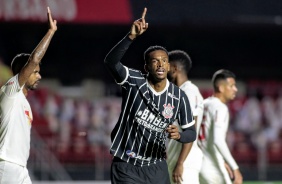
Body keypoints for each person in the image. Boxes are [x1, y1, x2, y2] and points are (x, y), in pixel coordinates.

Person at [104, 8, 196, 184]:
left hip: (156, 166)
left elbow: (191, 132)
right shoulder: (133, 80)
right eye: (155, 61)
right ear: (146, 67)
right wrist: (130, 37)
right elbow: (111, 62)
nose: (160, 64)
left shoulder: (179, 97)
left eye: (164, 61)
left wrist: (180, 136)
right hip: (126, 165)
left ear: (169, 67)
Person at [0, 7, 57, 183]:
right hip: (6, 166)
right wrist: (50, 32)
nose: (39, 75)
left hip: (20, 168)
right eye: (35, 72)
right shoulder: (10, 91)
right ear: (22, 72)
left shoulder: (24, 102)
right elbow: (33, 60)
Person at [198, 69, 243, 184]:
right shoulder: (220, 108)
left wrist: (222, 161)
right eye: (232, 86)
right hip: (212, 166)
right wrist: (235, 167)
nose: (235, 89)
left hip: (197, 164)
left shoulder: (203, 104)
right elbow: (218, 140)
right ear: (221, 88)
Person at [167, 50, 204, 184]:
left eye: (166, 65)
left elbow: (191, 129)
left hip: (185, 162)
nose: (163, 69)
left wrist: (180, 163)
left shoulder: (189, 92)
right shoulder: (177, 93)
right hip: (175, 159)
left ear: (174, 68)